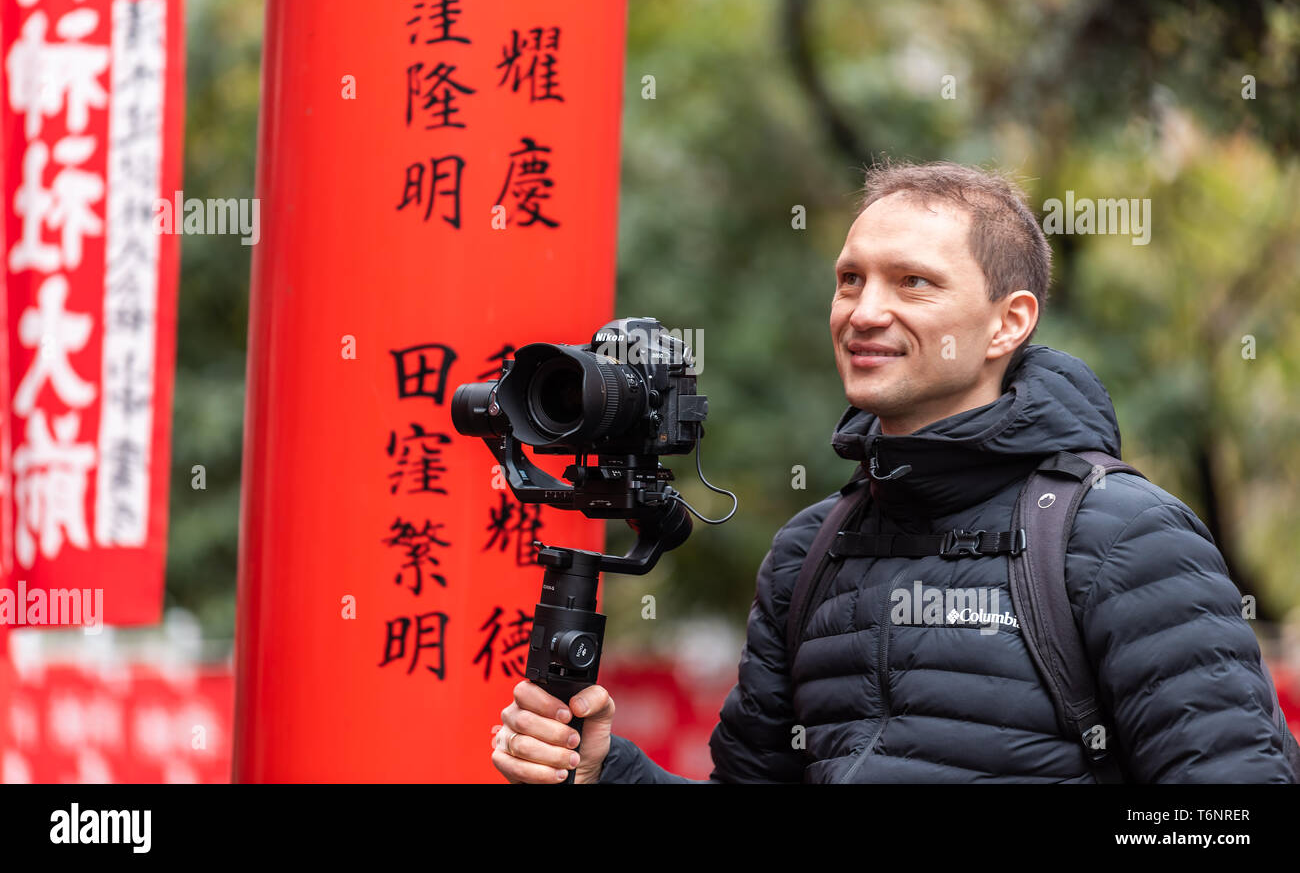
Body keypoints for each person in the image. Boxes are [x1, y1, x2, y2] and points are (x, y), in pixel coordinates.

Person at [490, 160, 1296, 783]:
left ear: (1007, 322)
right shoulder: (812, 552)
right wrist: (606, 771)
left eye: (913, 281)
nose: (864, 311)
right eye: (850, 279)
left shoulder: (1122, 536)